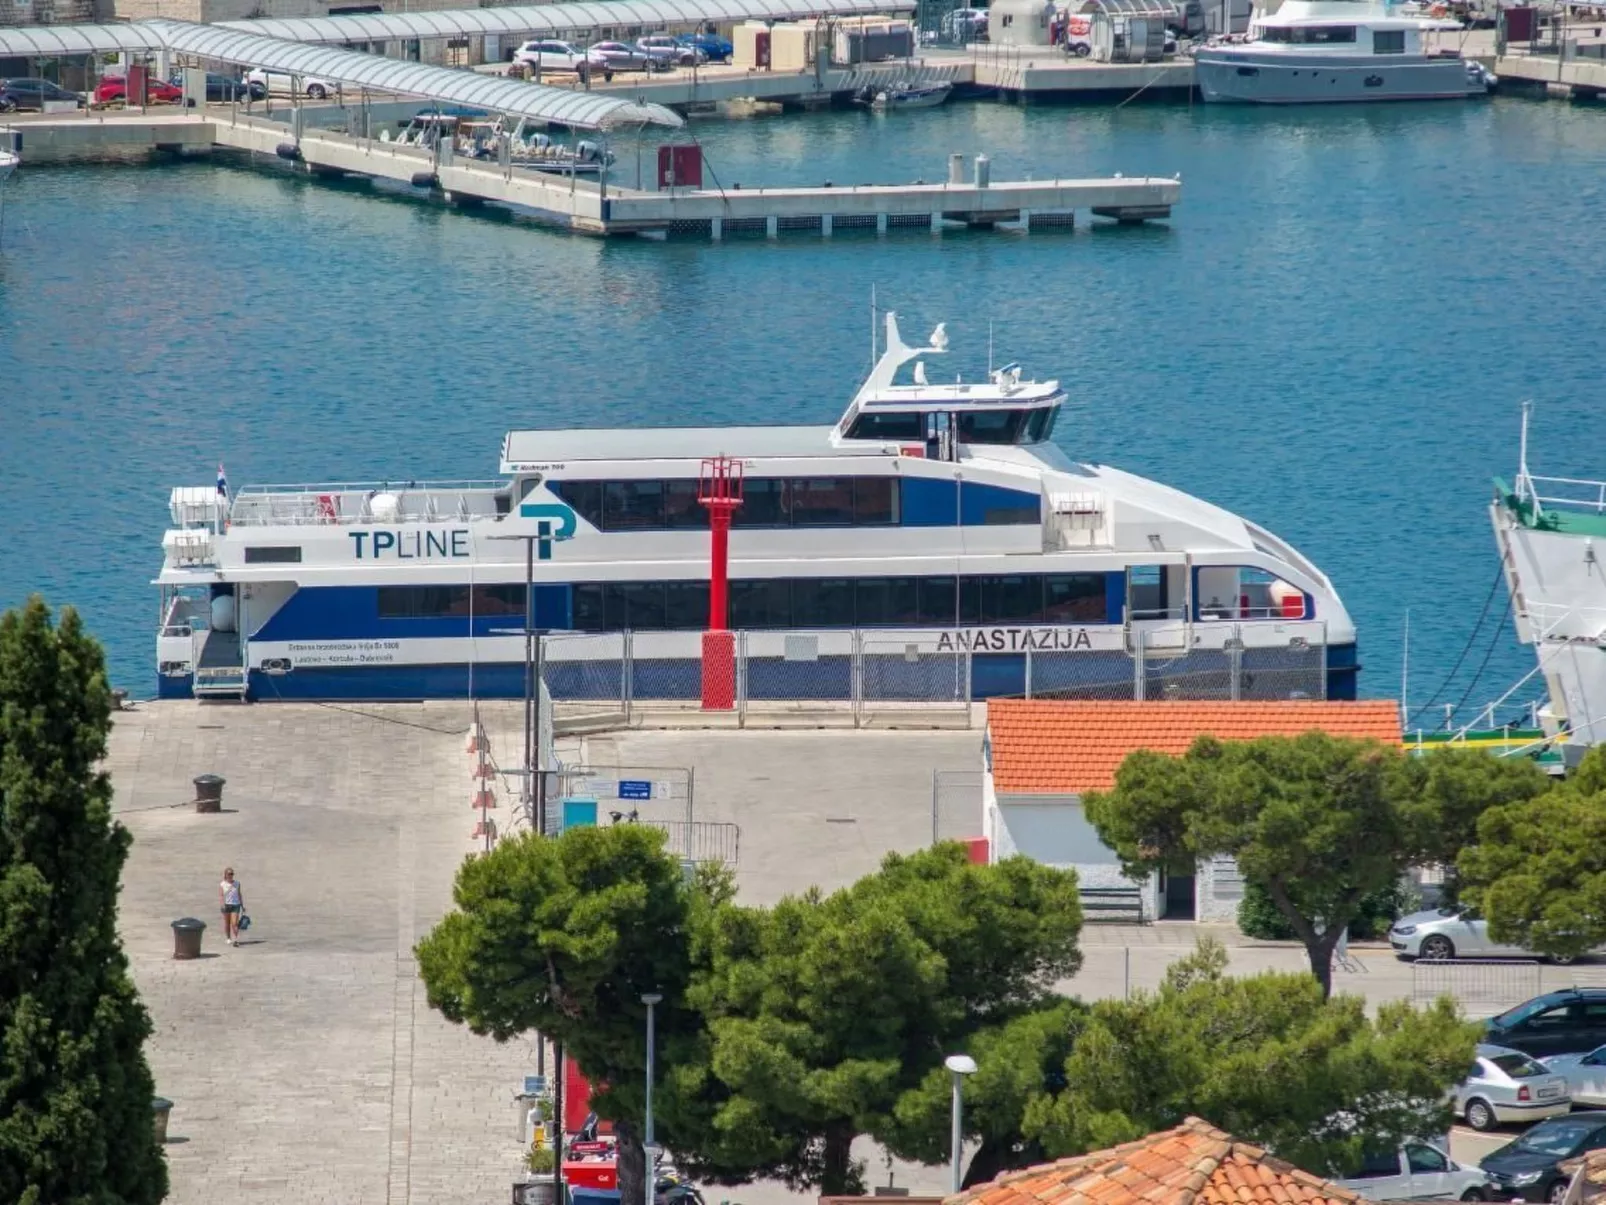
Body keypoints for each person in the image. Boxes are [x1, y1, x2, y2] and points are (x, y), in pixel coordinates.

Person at [219, 866, 245, 946]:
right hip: (227, 905)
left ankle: (235, 939)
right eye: (229, 874)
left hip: (235, 905)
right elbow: (221, 895)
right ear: (226, 875)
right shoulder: (222, 884)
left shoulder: (237, 883)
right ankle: (228, 938)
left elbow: (239, 894)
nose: (231, 875)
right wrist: (222, 905)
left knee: (234, 923)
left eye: (232, 874)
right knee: (227, 923)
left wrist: (242, 905)